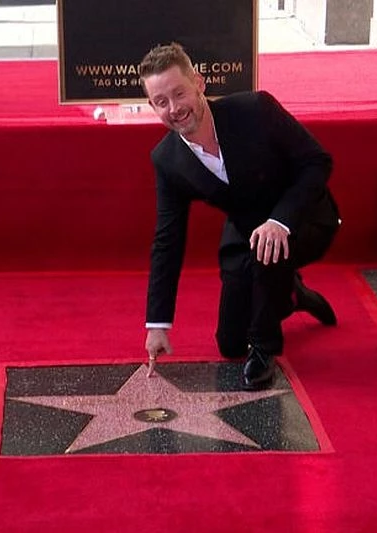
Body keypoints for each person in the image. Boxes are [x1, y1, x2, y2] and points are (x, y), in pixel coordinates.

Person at [140, 43, 340, 390]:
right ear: (152, 106)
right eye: (161, 101)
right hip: (246, 229)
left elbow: (317, 161)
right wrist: (158, 324)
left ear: (199, 83)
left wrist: (280, 221)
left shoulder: (255, 109)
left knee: (270, 252)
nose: (174, 108)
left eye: (179, 93)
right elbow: (167, 240)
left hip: (304, 216)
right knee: (230, 344)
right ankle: (292, 295)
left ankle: (266, 348)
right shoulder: (167, 159)